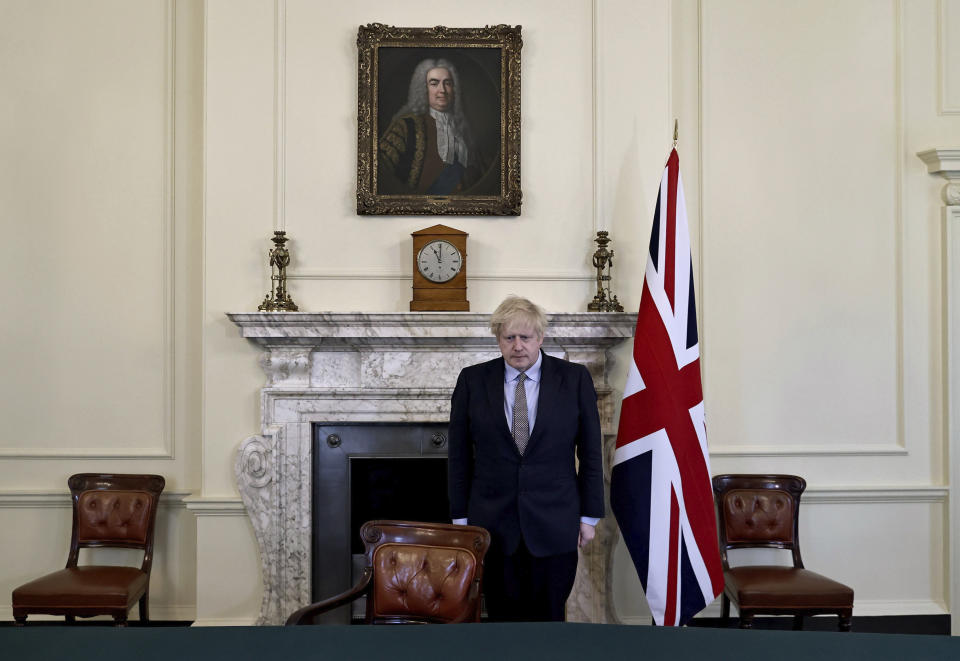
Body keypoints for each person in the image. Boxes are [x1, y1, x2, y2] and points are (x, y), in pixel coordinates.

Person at [447, 296, 604, 621]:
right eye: (509, 338)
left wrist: (589, 516)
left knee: (549, 621)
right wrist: (460, 519)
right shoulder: (473, 381)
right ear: (498, 339)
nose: (518, 346)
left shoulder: (574, 379)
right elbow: (459, 456)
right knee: (503, 621)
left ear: (540, 338)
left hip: (555, 522)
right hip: (492, 524)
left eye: (525, 337)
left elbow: (590, 453)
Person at [378, 57, 490, 195]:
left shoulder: (464, 130)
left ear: (454, 89)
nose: (442, 90)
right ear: (424, 89)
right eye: (434, 83)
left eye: (447, 83)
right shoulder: (405, 127)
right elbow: (381, 173)